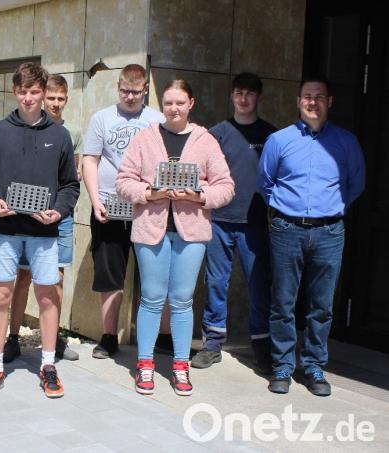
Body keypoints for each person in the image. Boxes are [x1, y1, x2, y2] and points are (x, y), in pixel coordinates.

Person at [117, 79, 234, 396]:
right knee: (152, 298)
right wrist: (149, 192)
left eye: (180, 102)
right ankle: (145, 364)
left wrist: (199, 196)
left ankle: (181, 365)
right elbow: (123, 181)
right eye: (168, 102)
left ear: (191, 104)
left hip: (191, 231)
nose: (174, 108)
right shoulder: (145, 137)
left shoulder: (205, 140)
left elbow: (226, 186)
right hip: (150, 229)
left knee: (182, 300)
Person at [0, 62, 80, 399]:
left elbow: (70, 186)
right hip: (5, 229)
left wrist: (59, 211)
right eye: (23, 91)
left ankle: (48, 365)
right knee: (2, 295)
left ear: (43, 92)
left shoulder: (60, 136)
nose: (30, 97)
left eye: (35, 91)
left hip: (45, 233)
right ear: (15, 92)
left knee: (48, 296)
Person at [258, 76, 365, 396]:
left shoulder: (346, 142)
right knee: (283, 302)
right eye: (307, 96)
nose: (313, 102)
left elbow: (356, 184)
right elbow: (266, 183)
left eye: (319, 96)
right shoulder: (279, 140)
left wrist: (328, 210)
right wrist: (287, 211)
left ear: (330, 101)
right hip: (287, 229)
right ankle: (282, 366)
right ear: (298, 101)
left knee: (321, 305)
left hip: (329, 231)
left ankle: (315, 366)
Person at [192, 73, 276, 374]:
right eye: (238, 93)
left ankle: (262, 345)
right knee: (216, 282)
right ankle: (212, 344)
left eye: (249, 94)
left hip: (254, 222)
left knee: (258, 284)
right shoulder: (217, 134)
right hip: (220, 221)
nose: (243, 99)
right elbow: (201, 174)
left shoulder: (271, 136)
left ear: (258, 98)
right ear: (231, 96)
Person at [83, 64, 164, 359]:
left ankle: (160, 337)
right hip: (109, 206)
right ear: (118, 88)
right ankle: (108, 336)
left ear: (145, 90)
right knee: (109, 275)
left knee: (155, 274)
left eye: (136, 92)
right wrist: (95, 200)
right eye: (124, 91)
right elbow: (90, 160)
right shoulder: (102, 118)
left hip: (147, 208)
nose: (130, 97)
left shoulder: (158, 120)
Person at [4, 74, 81, 363]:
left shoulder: (71, 132)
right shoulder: (26, 128)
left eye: (61, 99)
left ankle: (53, 337)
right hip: (27, 215)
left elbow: (74, 176)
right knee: (22, 276)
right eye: (51, 98)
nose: (55, 103)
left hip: (59, 217)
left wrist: (59, 208)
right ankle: (13, 337)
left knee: (55, 280)